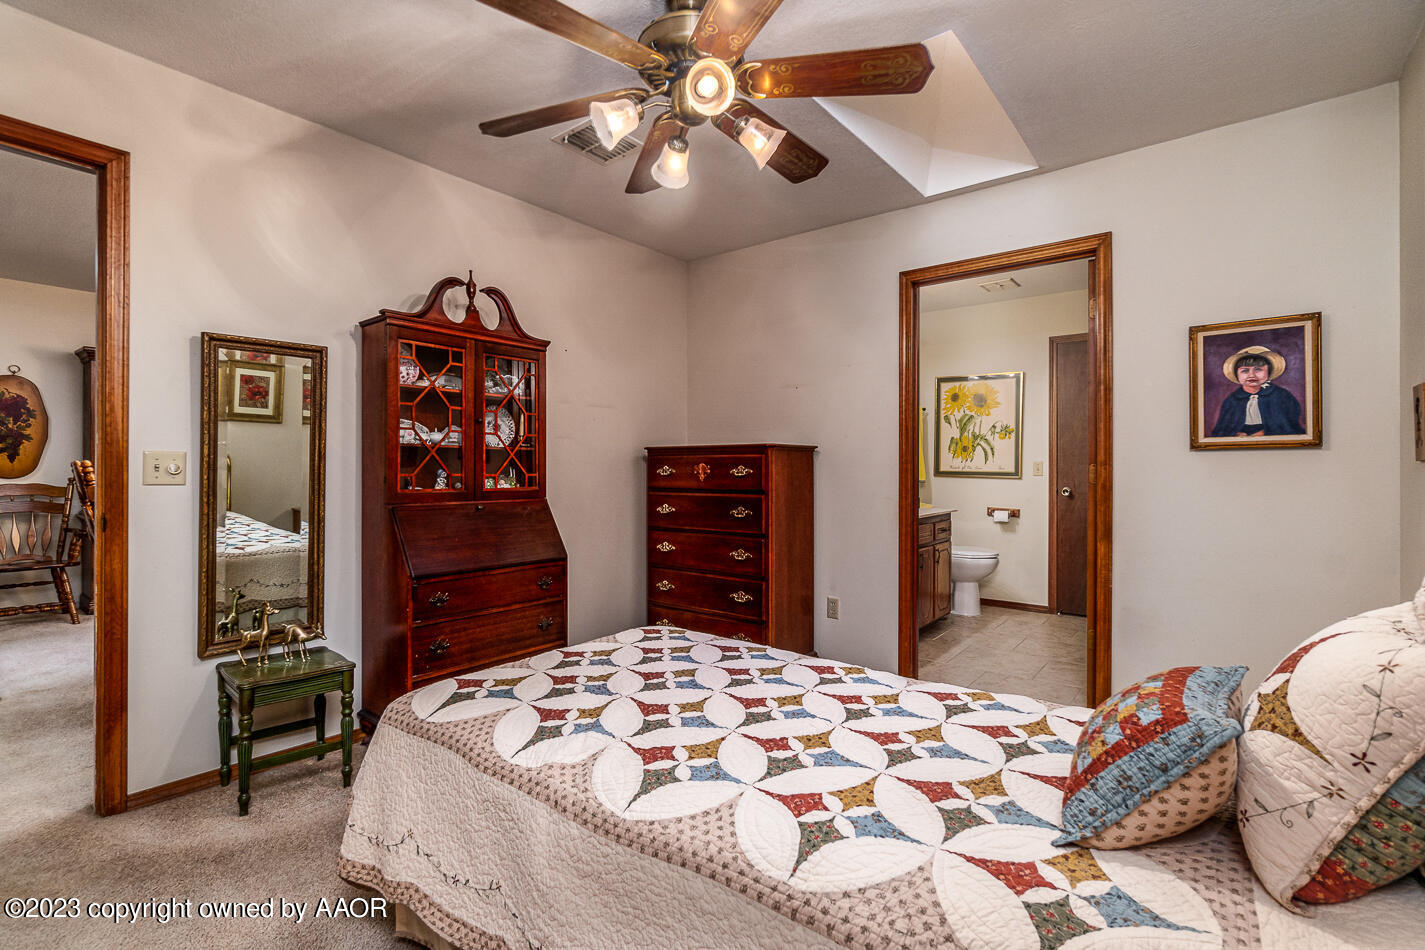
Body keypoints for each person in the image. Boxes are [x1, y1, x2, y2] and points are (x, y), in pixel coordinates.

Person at [1210, 345, 1304, 437]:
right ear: (1237, 374)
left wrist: (1266, 433)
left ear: (1269, 372)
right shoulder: (1232, 401)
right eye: (1245, 371)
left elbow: (1289, 427)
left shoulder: (1282, 396)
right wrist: (1235, 435)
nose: (1251, 375)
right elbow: (1221, 431)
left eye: (1258, 369)